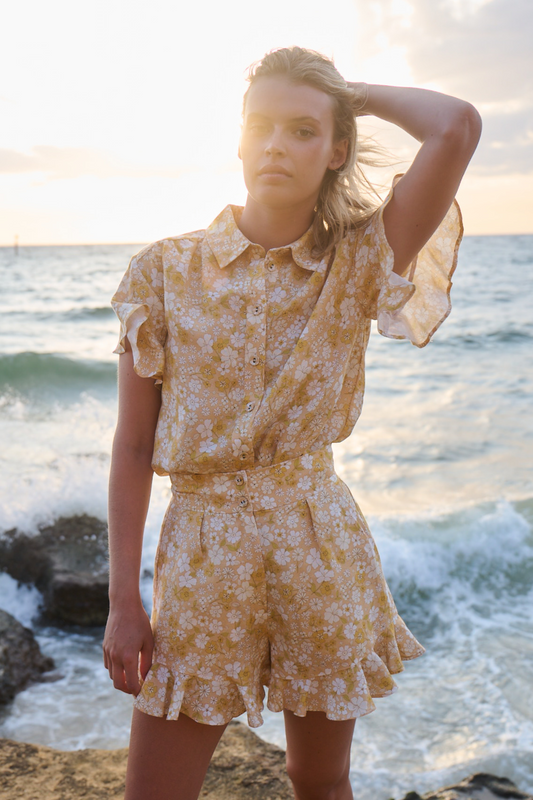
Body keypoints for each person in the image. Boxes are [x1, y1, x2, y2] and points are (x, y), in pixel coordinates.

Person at [103, 46, 481, 800]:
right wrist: (123, 601)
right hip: (203, 549)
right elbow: (135, 444)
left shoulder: (362, 259)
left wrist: (348, 94)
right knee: (154, 792)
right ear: (239, 140)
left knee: (319, 778)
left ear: (336, 148)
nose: (276, 144)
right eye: (261, 126)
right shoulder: (163, 271)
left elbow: (455, 128)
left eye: (303, 130)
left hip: (318, 539)